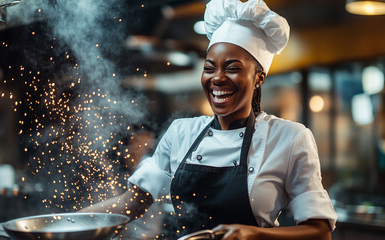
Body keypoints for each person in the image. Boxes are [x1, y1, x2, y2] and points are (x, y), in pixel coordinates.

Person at [80, 0, 337, 239]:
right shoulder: (181, 133)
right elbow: (132, 202)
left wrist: (255, 235)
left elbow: (320, 230)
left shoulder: (290, 138)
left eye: (233, 68)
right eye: (209, 67)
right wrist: (68, 223)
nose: (217, 78)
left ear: (259, 77)